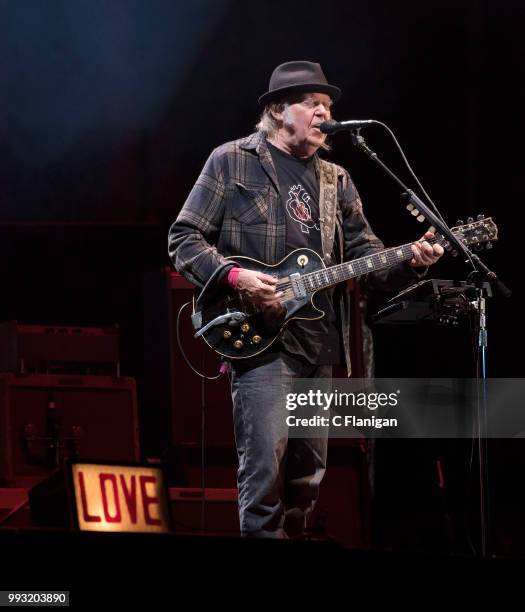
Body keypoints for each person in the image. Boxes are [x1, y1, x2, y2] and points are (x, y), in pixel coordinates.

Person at [168, 61, 443, 538]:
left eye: (329, 106)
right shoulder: (232, 161)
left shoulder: (337, 180)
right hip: (261, 342)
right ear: (278, 111)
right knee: (264, 481)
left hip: (320, 344)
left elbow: (368, 260)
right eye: (313, 104)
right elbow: (184, 238)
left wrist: (410, 259)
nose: (324, 114)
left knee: (306, 481)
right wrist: (235, 276)